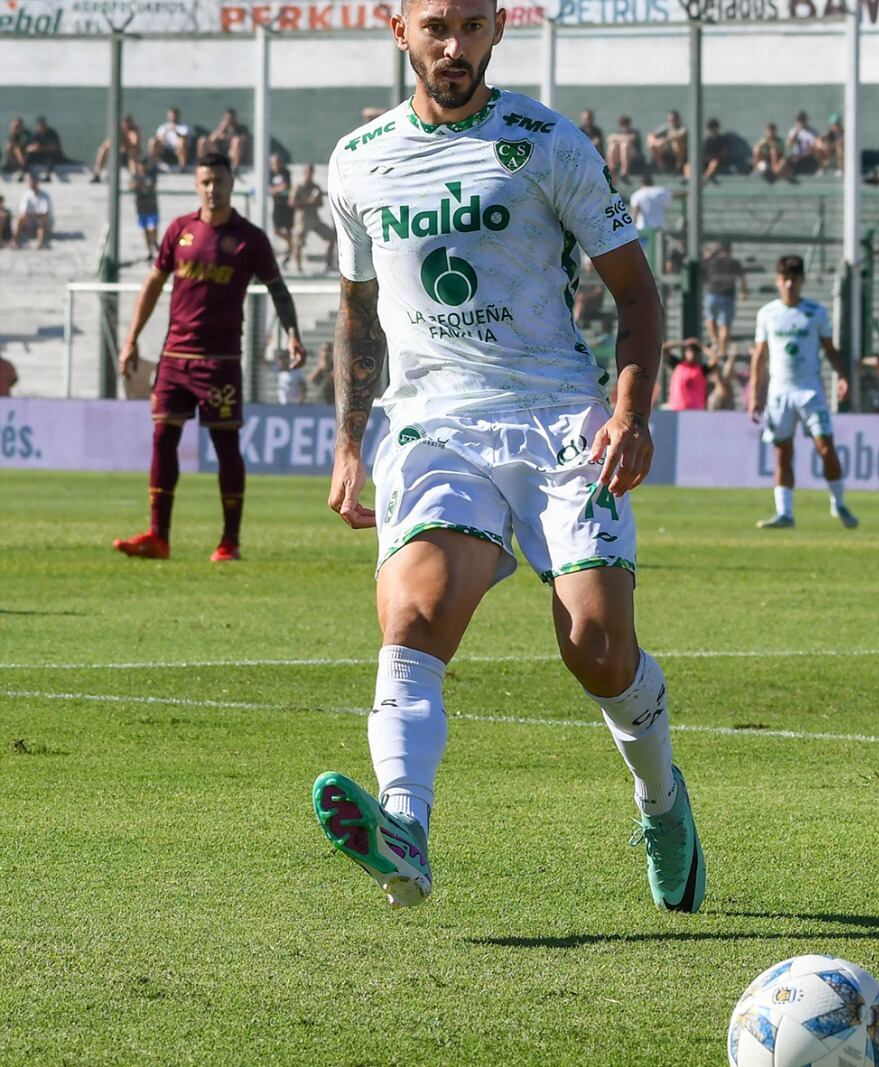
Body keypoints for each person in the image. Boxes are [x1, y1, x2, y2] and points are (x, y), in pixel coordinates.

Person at [314, 0, 705, 915]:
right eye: (437, 26)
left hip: (560, 420)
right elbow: (357, 316)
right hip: (434, 425)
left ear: (498, 31)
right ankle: (405, 829)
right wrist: (346, 441)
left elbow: (638, 299)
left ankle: (661, 800)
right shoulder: (358, 159)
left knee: (600, 651)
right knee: (413, 612)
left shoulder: (549, 143)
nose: (456, 47)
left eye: (475, 27)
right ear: (398, 28)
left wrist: (631, 411)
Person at [112, 152, 305, 563]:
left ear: (231, 182)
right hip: (174, 358)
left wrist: (293, 334)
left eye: (218, 180)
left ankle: (229, 542)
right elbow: (152, 284)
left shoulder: (249, 239)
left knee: (225, 446)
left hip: (219, 362)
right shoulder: (179, 230)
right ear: (196, 184)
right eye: (204, 182)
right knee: (163, 440)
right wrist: (131, 340)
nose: (211, 189)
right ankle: (158, 536)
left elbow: (278, 290)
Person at [748, 254, 856, 529]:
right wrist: (754, 395)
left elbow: (830, 349)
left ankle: (838, 503)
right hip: (779, 393)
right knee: (782, 452)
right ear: (777, 281)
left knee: (825, 446)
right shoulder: (768, 314)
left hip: (810, 391)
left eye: (794, 280)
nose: (789, 285)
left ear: (801, 281)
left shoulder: (816, 312)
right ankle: (785, 513)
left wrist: (842, 375)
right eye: (784, 279)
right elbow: (760, 356)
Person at [702, 241, 746, 363]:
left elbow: (702, 268)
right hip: (727, 295)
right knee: (725, 325)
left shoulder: (712, 261)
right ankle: (721, 352)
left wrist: (709, 254)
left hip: (713, 293)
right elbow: (742, 277)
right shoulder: (734, 262)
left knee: (710, 318)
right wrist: (743, 291)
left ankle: (715, 341)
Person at [289, 163, 338, 273]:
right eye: (308, 172)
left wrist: (316, 201)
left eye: (311, 172)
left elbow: (320, 203)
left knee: (331, 236)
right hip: (302, 219)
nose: (309, 174)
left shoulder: (315, 187)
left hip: (314, 218)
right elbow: (292, 202)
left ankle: (329, 263)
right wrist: (308, 201)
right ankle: (298, 268)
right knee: (298, 243)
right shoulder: (299, 187)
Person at [628, 172, 673, 267]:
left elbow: (634, 214)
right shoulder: (660, 191)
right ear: (652, 182)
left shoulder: (637, 195)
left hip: (644, 231)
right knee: (660, 258)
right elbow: (675, 195)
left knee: (644, 259)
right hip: (659, 230)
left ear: (641, 183)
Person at [91, 114, 141, 183]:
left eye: (128, 121)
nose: (127, 124)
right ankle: (97, 174)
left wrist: (126, 141)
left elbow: (135, 144)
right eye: (125, 122)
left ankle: (135, 176)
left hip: (129, 158)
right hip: (117, 156)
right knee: (103, 150)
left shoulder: (134, 131)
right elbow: (107, 144)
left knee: (132, 151)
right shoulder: (118, 131)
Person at [662, 339, 709, 411]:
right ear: (685, 352)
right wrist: (683, 343)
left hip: (697, 411)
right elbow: (664, 349)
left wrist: (701, 346)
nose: (693, 354)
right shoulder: (677, 364)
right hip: (676, 410)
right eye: (690, 350)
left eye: (695, 351)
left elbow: (715, 358)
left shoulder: (703, 369)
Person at [130, 156, 161, 260]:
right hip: (141, 207)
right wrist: (141, 184)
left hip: (151, 206)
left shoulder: (151, 174)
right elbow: (132, 186)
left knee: (152, 227)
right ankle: (149, 250)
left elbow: (152, 185)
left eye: (144, 164)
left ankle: (154, 243)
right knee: (145, 230)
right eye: (141, 164)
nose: (143, 167)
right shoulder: (136, 176)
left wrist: (141, 184)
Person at [11, 172, 51, 249]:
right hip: (30, 219)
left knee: (41, 221)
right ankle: (15, 241)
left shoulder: (45, 195)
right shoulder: (26, 195)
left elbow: (44, 212)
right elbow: (23, 211)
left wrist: (33, 215)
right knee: (20, 218)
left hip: (41, 220)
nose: (32, 184)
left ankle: (40, 243)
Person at [646, 110, 688, 176]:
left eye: (673, 119)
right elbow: (651, 135)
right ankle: (661, 165)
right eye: (670, 119)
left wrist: (664, 140)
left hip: (680, 153)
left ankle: (678, 167)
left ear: (678, 119)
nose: (671, 121)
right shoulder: (665, 127)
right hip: (666, 151)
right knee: (651, 144)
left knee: (676, 143)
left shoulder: (682, 128)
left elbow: (678, 136)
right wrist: (656, 142)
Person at [22, 116, 64, 182]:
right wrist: (33, 148)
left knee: (50, 158)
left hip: (52, 156)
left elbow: (54, 148)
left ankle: (48, 176)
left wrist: (41, 148)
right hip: (40, 156)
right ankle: (23, 174)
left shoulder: (52, 133)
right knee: (28, 157)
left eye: (43, 124)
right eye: (40, 125)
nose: (41, 127)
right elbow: (28, 147)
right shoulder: (36, 134)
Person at [605, 114, 643, 183]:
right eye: (622, 125)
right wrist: (621, 138)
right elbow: (609, 139)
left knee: (624, 145)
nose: (624, 127)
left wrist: (617, 138)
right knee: (613, 146)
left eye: (626, 124)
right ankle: (612, 169)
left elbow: (631, 138)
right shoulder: (618, 132)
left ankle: (624, 172)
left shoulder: (634, 132)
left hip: (634, 157)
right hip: (620, 157)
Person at [267, 152, 293, 253]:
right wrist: (277, 189)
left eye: (278, 162)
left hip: (287, 206)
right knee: (276, 230)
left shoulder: (286, 172)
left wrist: (275, 189)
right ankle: (291, 242)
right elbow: (269, 189)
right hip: (277, 205)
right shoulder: (270, 174)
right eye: (274, 162)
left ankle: (290, 248)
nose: (276, 164)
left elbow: (286, 186)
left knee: (288, 229)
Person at [700, 118, 731, 182]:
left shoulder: (722, 140)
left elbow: (724, 153)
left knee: (714, 163)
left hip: (717, 161)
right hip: (705, 161)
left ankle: (705, 178)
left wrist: (715, 157)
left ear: (717, 128)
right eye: (710, 128)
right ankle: (688, 179)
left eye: (713, 128)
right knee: (688, 165)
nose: (712, 130)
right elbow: (703, 153)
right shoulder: (707, 140)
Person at [308, 340, 336, 405]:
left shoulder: (335, 366)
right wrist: (320, 367)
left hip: (332, 401)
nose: (326, 353)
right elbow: (311, 379)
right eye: (324, 350)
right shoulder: (319, 366)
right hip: (320, 400)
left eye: (328, 350)